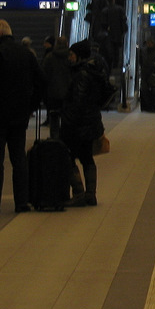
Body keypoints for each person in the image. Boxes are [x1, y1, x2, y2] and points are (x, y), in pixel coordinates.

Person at [0, 19, 45, 214]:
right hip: (19, 115)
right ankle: (21, 202)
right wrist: (31, 105)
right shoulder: (26, 53)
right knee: (19, 159)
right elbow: (41, 81)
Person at [60, 40, 109, 206]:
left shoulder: (81, 74)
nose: (70, 58)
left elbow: (78, 102)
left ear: (79, 56)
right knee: (87, 158)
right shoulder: (94, 72)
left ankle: (79, 193)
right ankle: (90, 195)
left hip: (78, 125)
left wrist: (67, 121)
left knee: (67, 157)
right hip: (91, 122)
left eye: (72, 55)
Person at [41, 36, 72, 139]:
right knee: (66, 118)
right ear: (67, 44)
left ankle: (55, 140)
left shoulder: (50, 57)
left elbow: (44, 74)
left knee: (54, 118)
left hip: (53, 92)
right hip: (68, 92)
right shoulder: (70, 56)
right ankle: (65, 139)